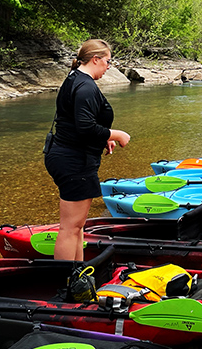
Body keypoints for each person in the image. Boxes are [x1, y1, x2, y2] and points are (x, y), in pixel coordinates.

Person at [44, 39, 130, 261]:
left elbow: (75, 122)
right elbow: (85, 127)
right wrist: (116, 134)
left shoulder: (74, 79)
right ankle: (65, 283)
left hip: (65, 155)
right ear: (96, 59)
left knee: (77, 227)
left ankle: (77, 275)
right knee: (70, 228)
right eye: (108, 61)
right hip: (74, 161)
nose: (109, 66)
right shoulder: (86, 86)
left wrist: (103, 139)